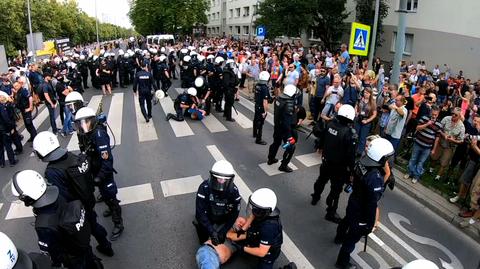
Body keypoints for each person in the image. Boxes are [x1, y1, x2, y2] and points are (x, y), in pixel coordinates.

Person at [32, 131, 114, 257]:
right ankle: (106, 246)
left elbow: (61, 196)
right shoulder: (70, 156)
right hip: (88, 199)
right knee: (94, 225)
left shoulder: (52, 171)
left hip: (75, 207)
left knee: (80, 239)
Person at [5, 170, 103, 269]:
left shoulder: (43, 224)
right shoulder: (57, 195)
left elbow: (51, 251)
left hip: (72, 257)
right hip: (81, 243)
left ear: (27, 198)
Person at [334, 138, 394, 269]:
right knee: (352, 238)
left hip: (354, 201)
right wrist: (369, 224)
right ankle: (342, 262)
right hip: (362, 210)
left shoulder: (361, 162)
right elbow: (372, 203)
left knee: (347, 220)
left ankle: (338, 237)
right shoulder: (375, 177)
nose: (388, 160)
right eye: (387, 158)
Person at [74, 107, 124, 241]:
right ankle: (109, 206)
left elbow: (107, 161)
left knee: (111, 196)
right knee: (104, 194)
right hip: (95, 169)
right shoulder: (87, 134)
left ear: (93, 121)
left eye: (85, 122)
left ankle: (118, 223)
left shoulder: (99, 135)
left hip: (103, 171)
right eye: (80, 124)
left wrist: (99, 177)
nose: (82, 126)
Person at [311, 104, 357, 223]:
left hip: (326, 161)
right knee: (335, 190)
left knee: (321, 180)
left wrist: (320, 148)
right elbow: (351, 156)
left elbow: (322, 139)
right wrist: (352, 171)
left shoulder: (330, 124)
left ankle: (315, 197)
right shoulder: (350, 134)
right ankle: (331, 212)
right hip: (339, 168)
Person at [228, 188, 286, 269]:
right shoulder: (261, 212)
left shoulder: (269, 227)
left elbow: (262, 252)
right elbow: (252, 216)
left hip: (268, 252)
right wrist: (243, 230)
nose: (253, 210)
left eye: (255, 209)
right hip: (257, 236)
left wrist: (242, 248)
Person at [193, 160, 241, 246]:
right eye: (219, 178)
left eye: (225, 179)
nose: (222, 181)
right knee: (199, 223)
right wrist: (211, 231)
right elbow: (200, 212)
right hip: (209, 216)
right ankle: (203, 237)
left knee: (223, 239)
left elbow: (235, 213)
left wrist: (224, 231)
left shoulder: (234, 191)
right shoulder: (204, 187)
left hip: (223, 217)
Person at [404, 106, 442, 184]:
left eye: (435, 115)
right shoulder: (424, 118)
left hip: (427, 147)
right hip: (418, 143)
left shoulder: (439, 124)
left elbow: (437, 138)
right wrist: (427, 124)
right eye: (433, 114)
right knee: (413, 159)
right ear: (431, 113)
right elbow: (417, 128)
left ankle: (416, 176)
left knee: (421, 162)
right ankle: (409, 172)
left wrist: (434, 149)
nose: (434, 116)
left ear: (438, 115)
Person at [267, 85, 298, 173]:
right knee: (291, 147)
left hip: (277, 126)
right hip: (285, 130)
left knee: (276, 142)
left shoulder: (279, 98)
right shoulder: (289, 103)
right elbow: (287, 122)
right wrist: (289, 137)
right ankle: (283, 165)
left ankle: (271, 159)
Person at [430, 107, 465, 181]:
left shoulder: (461, 127)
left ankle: (438, 177)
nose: (453, 116)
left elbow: (461, 140)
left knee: (444, 162)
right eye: (452, 113)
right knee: (434, 157)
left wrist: (453, 140)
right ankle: (430, 170)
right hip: (441, 142)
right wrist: (443, 135)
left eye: (455, 115)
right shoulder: (446, 118)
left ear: (459, 116)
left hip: (450, 146)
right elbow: (439, 128)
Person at [355, 87, 377, 155]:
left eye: (367, 93)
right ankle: (353, 149)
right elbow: (356, 106)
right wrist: (356, 111)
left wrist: (367, 121)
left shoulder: (373, 102)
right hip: (358, 119)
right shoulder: (360, 99)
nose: (365, 94)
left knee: (362, 138)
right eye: (364, 92)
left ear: (370, 94)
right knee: (355, 136)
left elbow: (374, 114)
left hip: (366, 121)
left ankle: (359, 152)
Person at [253, 71, 272, 145]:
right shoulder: (264, 88)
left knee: (255, 119)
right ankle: (258, 139)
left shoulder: (257, 85)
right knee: (260, 123)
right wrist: (265, 111)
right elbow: (265, 101)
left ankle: (255, 133)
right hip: (261, 106)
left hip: (257, 105)